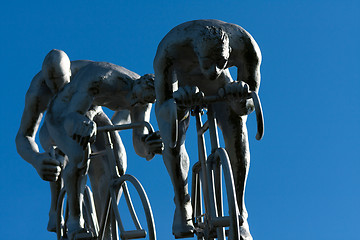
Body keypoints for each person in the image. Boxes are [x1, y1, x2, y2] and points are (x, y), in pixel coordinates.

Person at [153, 19, 262, 239]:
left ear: (230, 52)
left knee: (237, 127)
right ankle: (182, 202)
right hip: (182, 86)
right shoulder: (171, 48)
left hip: (223, 88)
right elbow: (163, 106)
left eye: (221, 62)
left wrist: (240, 97)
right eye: (207, 63)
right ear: (195, 52)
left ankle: (239, 212)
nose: (213, 70)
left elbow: (249, 104)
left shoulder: (246, 46)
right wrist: (178, 104)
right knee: (172, 137)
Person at [44, 60, 162, 240]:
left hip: (93, 110)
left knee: (119, 158)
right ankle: (75, 221)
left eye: (142, 101)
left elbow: (139, 142)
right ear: (136, 85)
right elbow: (73, 117)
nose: (136, 103)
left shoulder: (145, 97)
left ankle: (106, 228)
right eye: (136, 97)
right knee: (78, 155)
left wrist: (149, 145)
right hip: (64, 113)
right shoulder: (101, 79)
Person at [15, 49, 95, 232]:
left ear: (70, 74)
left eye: (62, 84)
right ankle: (56, 209)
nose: (58, 91)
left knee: (116, 155)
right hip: (54, 124)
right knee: (57, 158)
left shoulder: (87, 73)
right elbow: (24, 136)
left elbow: (128, 94)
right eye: (53, 86)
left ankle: (109, 210)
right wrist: (36, 159)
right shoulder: (38, 91)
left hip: (89, 116)